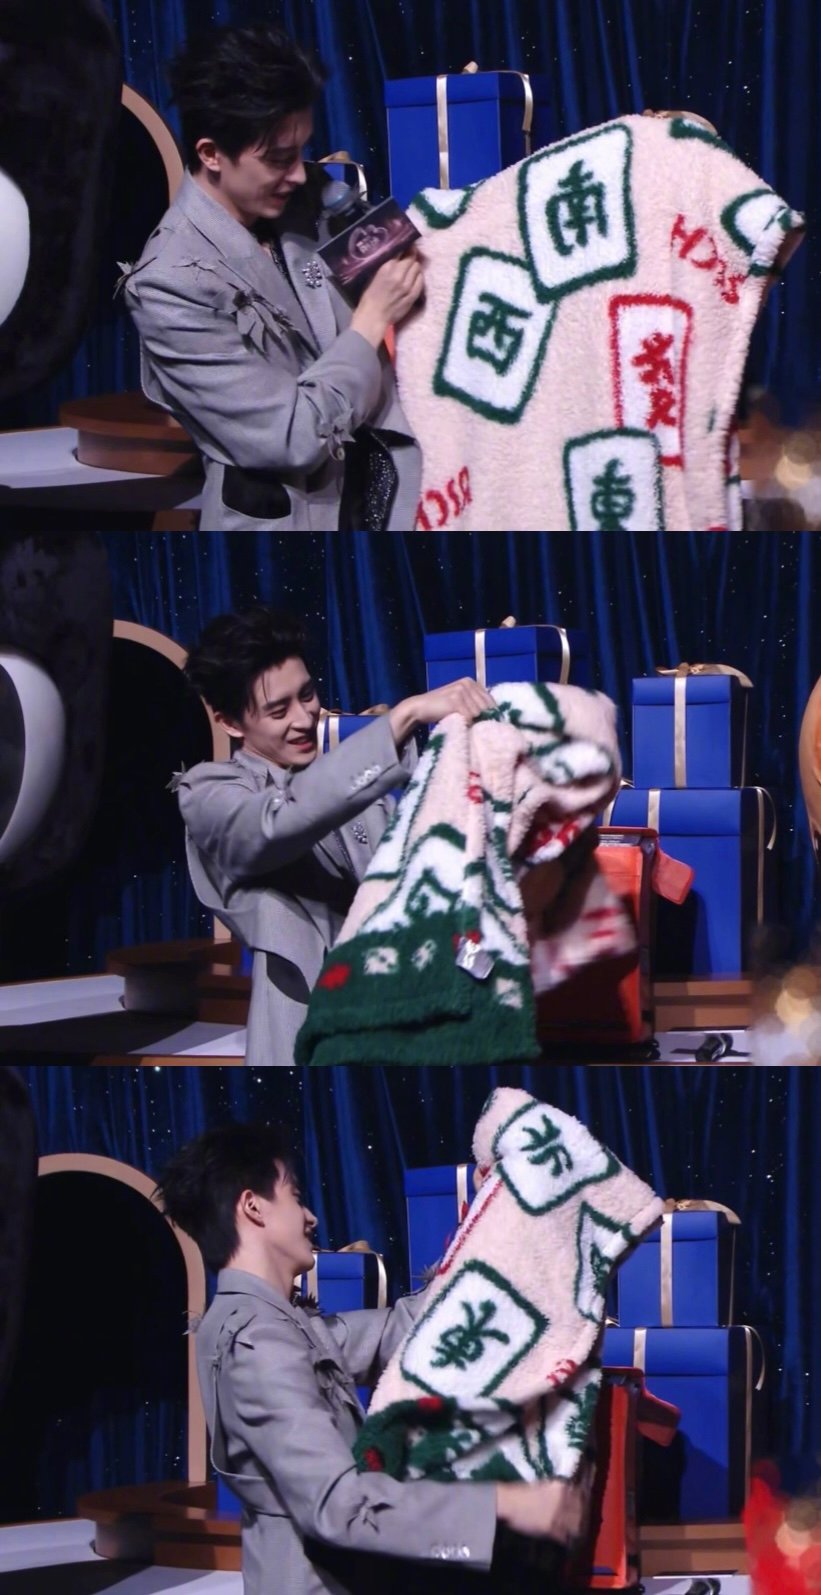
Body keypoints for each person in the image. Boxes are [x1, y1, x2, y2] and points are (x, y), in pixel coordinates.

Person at [153, 1121, 587, 1595]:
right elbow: (341, 1507)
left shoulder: (269, 1323)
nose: (310, 1217)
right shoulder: (259, 1342)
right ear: (253, 1207)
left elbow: (398, 1332)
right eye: (295, 1197)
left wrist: (490, 1222)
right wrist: (507, 1507)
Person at [122, 24, 424, 532]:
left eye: (302, 150)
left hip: (392, 495)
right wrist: (372, 319)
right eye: (278, 159)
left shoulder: (308, 194)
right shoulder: (168, 283)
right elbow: (294, 437)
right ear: (211, 154)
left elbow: (408, 273)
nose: (300, 173)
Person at [175, 605, 495, 1066]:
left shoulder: (352, 774)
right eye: (278, 710)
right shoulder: (208, 794)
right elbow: (279, 823)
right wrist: (403, 718)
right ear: (229, 722)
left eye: (307, 695)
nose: (304, 718)